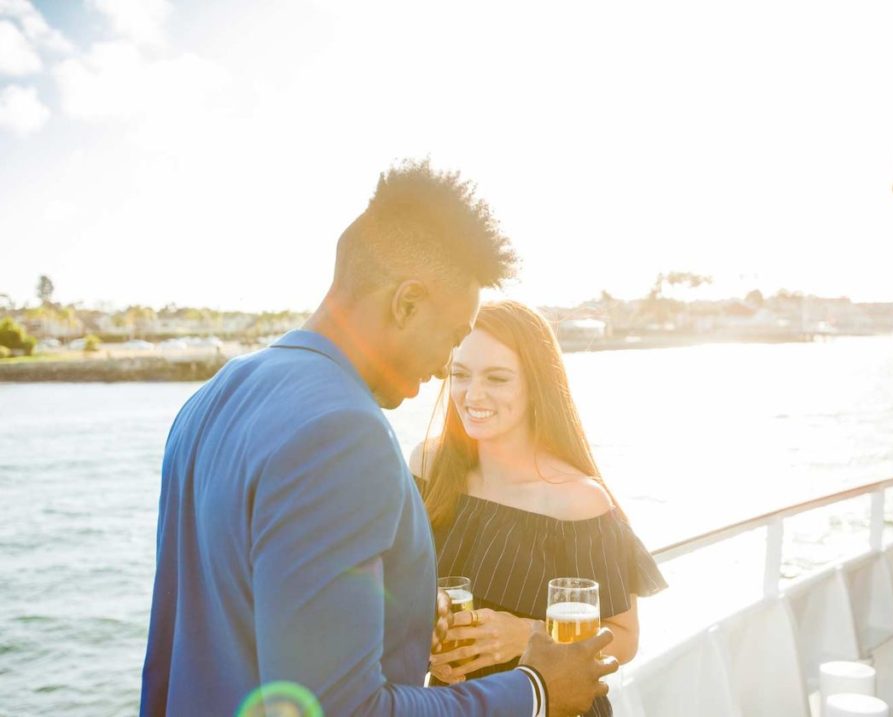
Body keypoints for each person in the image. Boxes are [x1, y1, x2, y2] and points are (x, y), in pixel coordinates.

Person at [139, 161, 617, 717]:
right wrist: (535, 690)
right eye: (454, 337)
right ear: (407, 303)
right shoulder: (343, 433)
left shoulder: (213, 397)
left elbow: (188, 641)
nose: (446, 368)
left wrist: (406, 609)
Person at [411, 300, 668, 717]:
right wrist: (423, 643)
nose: (473, 395)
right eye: (460, 374)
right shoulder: (426, 467)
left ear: (536, 385)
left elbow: (623, 637)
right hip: (454, 705)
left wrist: (526, 635)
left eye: (497, 378)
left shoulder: (576, 501)